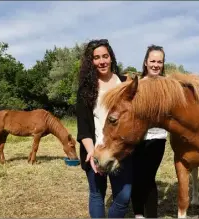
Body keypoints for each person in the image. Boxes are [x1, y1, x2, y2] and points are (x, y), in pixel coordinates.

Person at [76, 39, 132, 218]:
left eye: (105, 56)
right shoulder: (86, 90)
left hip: (120, 150)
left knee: (123, 196)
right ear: (91, 62)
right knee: (97, 194)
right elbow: (83, 128)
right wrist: (91, 154)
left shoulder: (125, 84)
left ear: (111, 57)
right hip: (95, 151)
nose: (102, 61)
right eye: (97, 57)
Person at [131, 45, 168, 218]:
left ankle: (151, 215)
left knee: (148, 177)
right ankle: (138, 213)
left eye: (159, 61)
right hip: (135, 138)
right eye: (152, 61)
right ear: (145, 62)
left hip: (157, 138)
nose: (156, 65)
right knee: (136, 175)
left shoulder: (167, 86)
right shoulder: (136, 84)